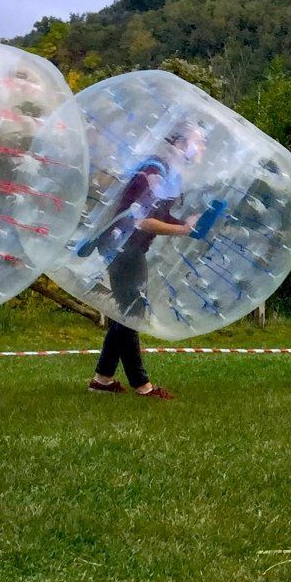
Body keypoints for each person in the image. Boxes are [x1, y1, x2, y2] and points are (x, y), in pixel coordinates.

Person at [82, 127, 202, 400]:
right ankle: (142, 386)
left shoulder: (166, 173)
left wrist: (185, 224)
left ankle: (103, 379)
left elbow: (159, 214)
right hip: (123, 246)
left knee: (127, 313)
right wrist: (182, 230)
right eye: (198, 141)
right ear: (181, 143)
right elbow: (142, 220)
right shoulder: (153, 172)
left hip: (129, 246)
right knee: (133, 313)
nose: (202, 147)